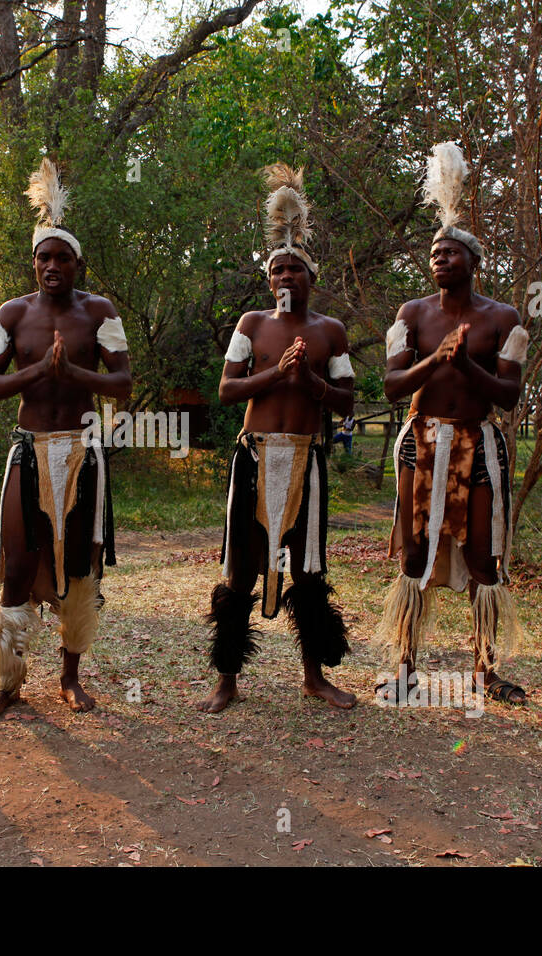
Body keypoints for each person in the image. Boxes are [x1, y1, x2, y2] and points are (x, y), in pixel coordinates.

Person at [198, 164, 357, 714]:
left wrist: (309, 380)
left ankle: (314, 676)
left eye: (295, 269)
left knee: (307, 567)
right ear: (269, 281)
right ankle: (227, 679)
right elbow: (227, 390)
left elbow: (346, 401)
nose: (286, 276)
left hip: (306, 459)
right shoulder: (251, 324)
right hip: (255, 457)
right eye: (277, 270)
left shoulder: (330, 331)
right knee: (241, 568)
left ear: (311, 278)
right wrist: (277, 373)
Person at [0, 158, 131, 720]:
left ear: (77, 263)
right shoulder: (11, 313)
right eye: (43, 257)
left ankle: (70, 677)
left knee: (80, 569)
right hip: (30, 450)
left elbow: (123, 383)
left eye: (62, 257)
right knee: (18, 565)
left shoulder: (99, 311)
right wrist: (40, 371)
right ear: (34, 262)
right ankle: (9, 681)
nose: (51, 265)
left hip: (83, 453)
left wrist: (75, 374)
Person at [375, 143, 529, 706]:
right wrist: (437, 360)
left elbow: (508, 395)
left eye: (451, 252)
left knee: (483, 556)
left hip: (477, 444)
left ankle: (485, 670)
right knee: (415, 554)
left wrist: (464, 365)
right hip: (421, 440)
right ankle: (405, 667)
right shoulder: (412, 314)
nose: (440, 259)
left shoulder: (502, 317)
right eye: (435, 253)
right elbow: (393, 386)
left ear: (473, 261)